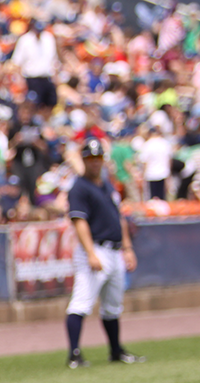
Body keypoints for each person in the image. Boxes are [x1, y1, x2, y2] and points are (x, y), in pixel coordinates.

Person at [65, 138, 144, 369]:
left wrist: (128, 248)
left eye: (98, 158)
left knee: (112, 305)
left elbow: (119, 218)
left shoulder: (107, 184)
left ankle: (116, 351)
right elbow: (80, 222)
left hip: (115, 250)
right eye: (90, 158)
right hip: (95, 249)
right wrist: (90, 253)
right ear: (84, 160)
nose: (95, 163)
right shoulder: (79, 187)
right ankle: (74, 354)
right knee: (81, 302)